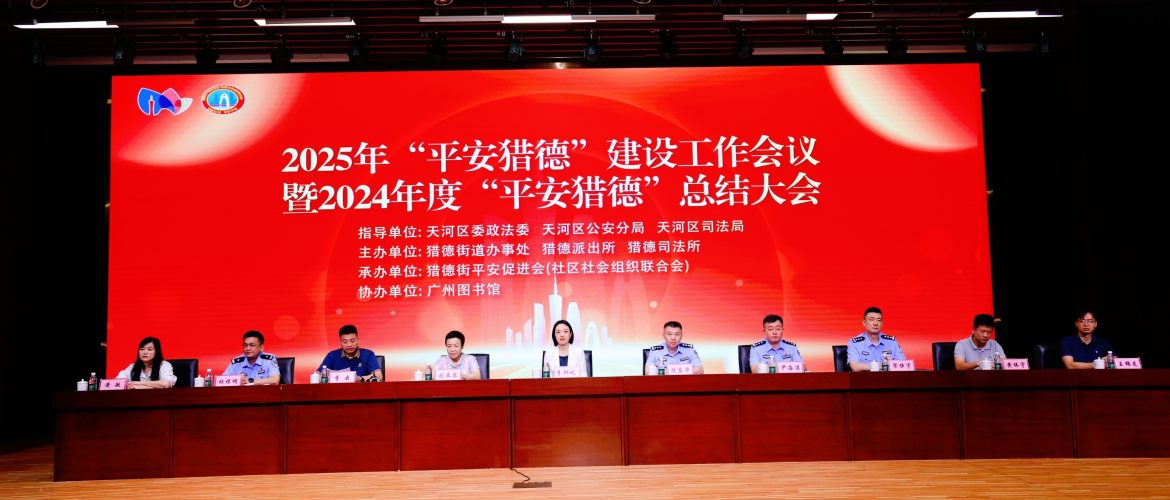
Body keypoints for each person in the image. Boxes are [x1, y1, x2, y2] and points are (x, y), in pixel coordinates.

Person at [847, 307, 906, 371]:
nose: (875, 323)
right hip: (865, 377)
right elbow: (855, 367)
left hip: (888, 377)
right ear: (864, 323)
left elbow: (902, 364)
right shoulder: (854, 343)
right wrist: (882, 366)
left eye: (879, 320)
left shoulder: (892, 341)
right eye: (871, 319)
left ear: (882, 323)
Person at [317, 324, 383, 381]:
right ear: (341, 342)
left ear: (358, 340)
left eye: (352, 341)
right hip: (338, 390)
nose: (349, 345)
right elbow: (318, 375)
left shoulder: (368, 355)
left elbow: (379, 376)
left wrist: (360, 379)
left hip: (361, 390)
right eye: (345, 342)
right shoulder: (332, 356)